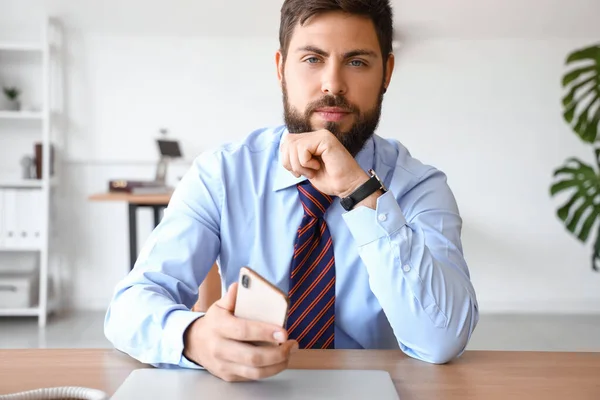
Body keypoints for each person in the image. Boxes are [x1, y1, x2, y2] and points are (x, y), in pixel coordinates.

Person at [104, 0, 479, 382]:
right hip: (250, 387)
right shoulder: (222, 174)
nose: (333, 84)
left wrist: (359, 189)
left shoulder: (420, 187)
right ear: (281, 68)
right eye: (313, 59)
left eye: (357, 62)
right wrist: (193, 337)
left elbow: (441, 339)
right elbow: (128, 307)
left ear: (387, 72)